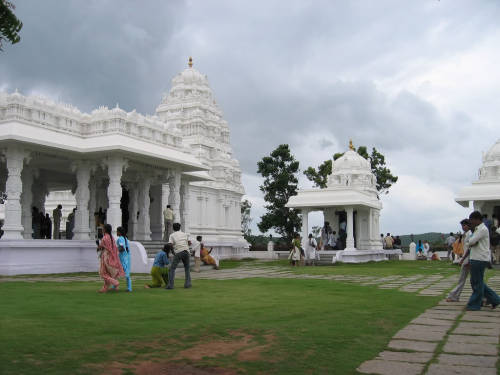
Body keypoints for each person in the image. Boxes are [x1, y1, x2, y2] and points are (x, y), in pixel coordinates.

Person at [465, 211, 500, 311]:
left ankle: (474, 304)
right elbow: (471, 242)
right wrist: (470, 243)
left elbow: (471, 241)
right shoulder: (478, 229)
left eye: (471, 220)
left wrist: (469, 243)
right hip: (476, 257)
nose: (470, 222)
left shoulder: (482, 229)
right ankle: (495, 299)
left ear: (477, 219)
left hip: (479, 258)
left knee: (477, 282)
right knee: (476, 281)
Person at [446, 219, 472, 302]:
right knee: (468, 279)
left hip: (469, 259)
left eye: (464, 225)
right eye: (462, 226)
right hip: (466, 258)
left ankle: (454, 295)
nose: (463, 227)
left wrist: (463, 259)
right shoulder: (465, 235)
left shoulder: (470, 234)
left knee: (471, 280)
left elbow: (469, 249)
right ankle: (455, 295)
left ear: (468, 225)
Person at [97, 224, 124, 293]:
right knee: (107, 273)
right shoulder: (111, 237)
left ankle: (115, 282)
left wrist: (98, 245)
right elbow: (114, 248)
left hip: (106, 256)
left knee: (102, 273)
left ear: (105, 229)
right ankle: (104, 288)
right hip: (111, 256)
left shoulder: (105, 238)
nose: (102, 230)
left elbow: (101, 247)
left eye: (103, 229)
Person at [166, 222, 191, 289]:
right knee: (187, 268)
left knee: (172, 269)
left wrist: (173, 251)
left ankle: (170, 285)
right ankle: (187, 284)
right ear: (180, 228)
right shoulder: (185, 234)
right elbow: (189, 242)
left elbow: (170, 244)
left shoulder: (172, 235)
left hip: (179, 251)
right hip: (186, 251)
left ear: (173, 228)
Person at [116, 226, 132, 292]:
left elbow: (122, 247)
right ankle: (129, 287)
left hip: (123, 257)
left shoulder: (120, 238)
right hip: (127, 256)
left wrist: (115, 250)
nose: (116, 232)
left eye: (117, 231)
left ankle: (115, 285)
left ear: (119, 232)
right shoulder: (125, 238)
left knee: (117, 270)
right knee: (126, 272)